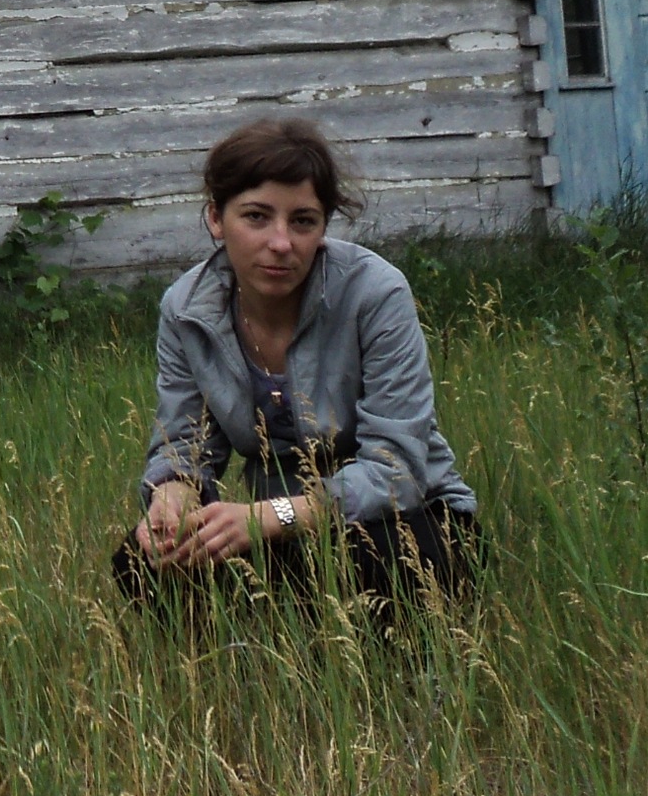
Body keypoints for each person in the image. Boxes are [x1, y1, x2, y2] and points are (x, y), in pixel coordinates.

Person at [113, 118, 478, 618]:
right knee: (143, 563)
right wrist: (173, 498)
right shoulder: (187, 310)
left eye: (303, 221)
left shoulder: (375, 293)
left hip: (412, 522)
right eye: (256, 217)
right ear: (216, 218)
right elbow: (184, 447)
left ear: (323, 228)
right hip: (277, 530)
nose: (281, 243)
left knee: (372, 559)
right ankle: (241, 658)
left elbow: (397, 471)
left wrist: (269, 517)